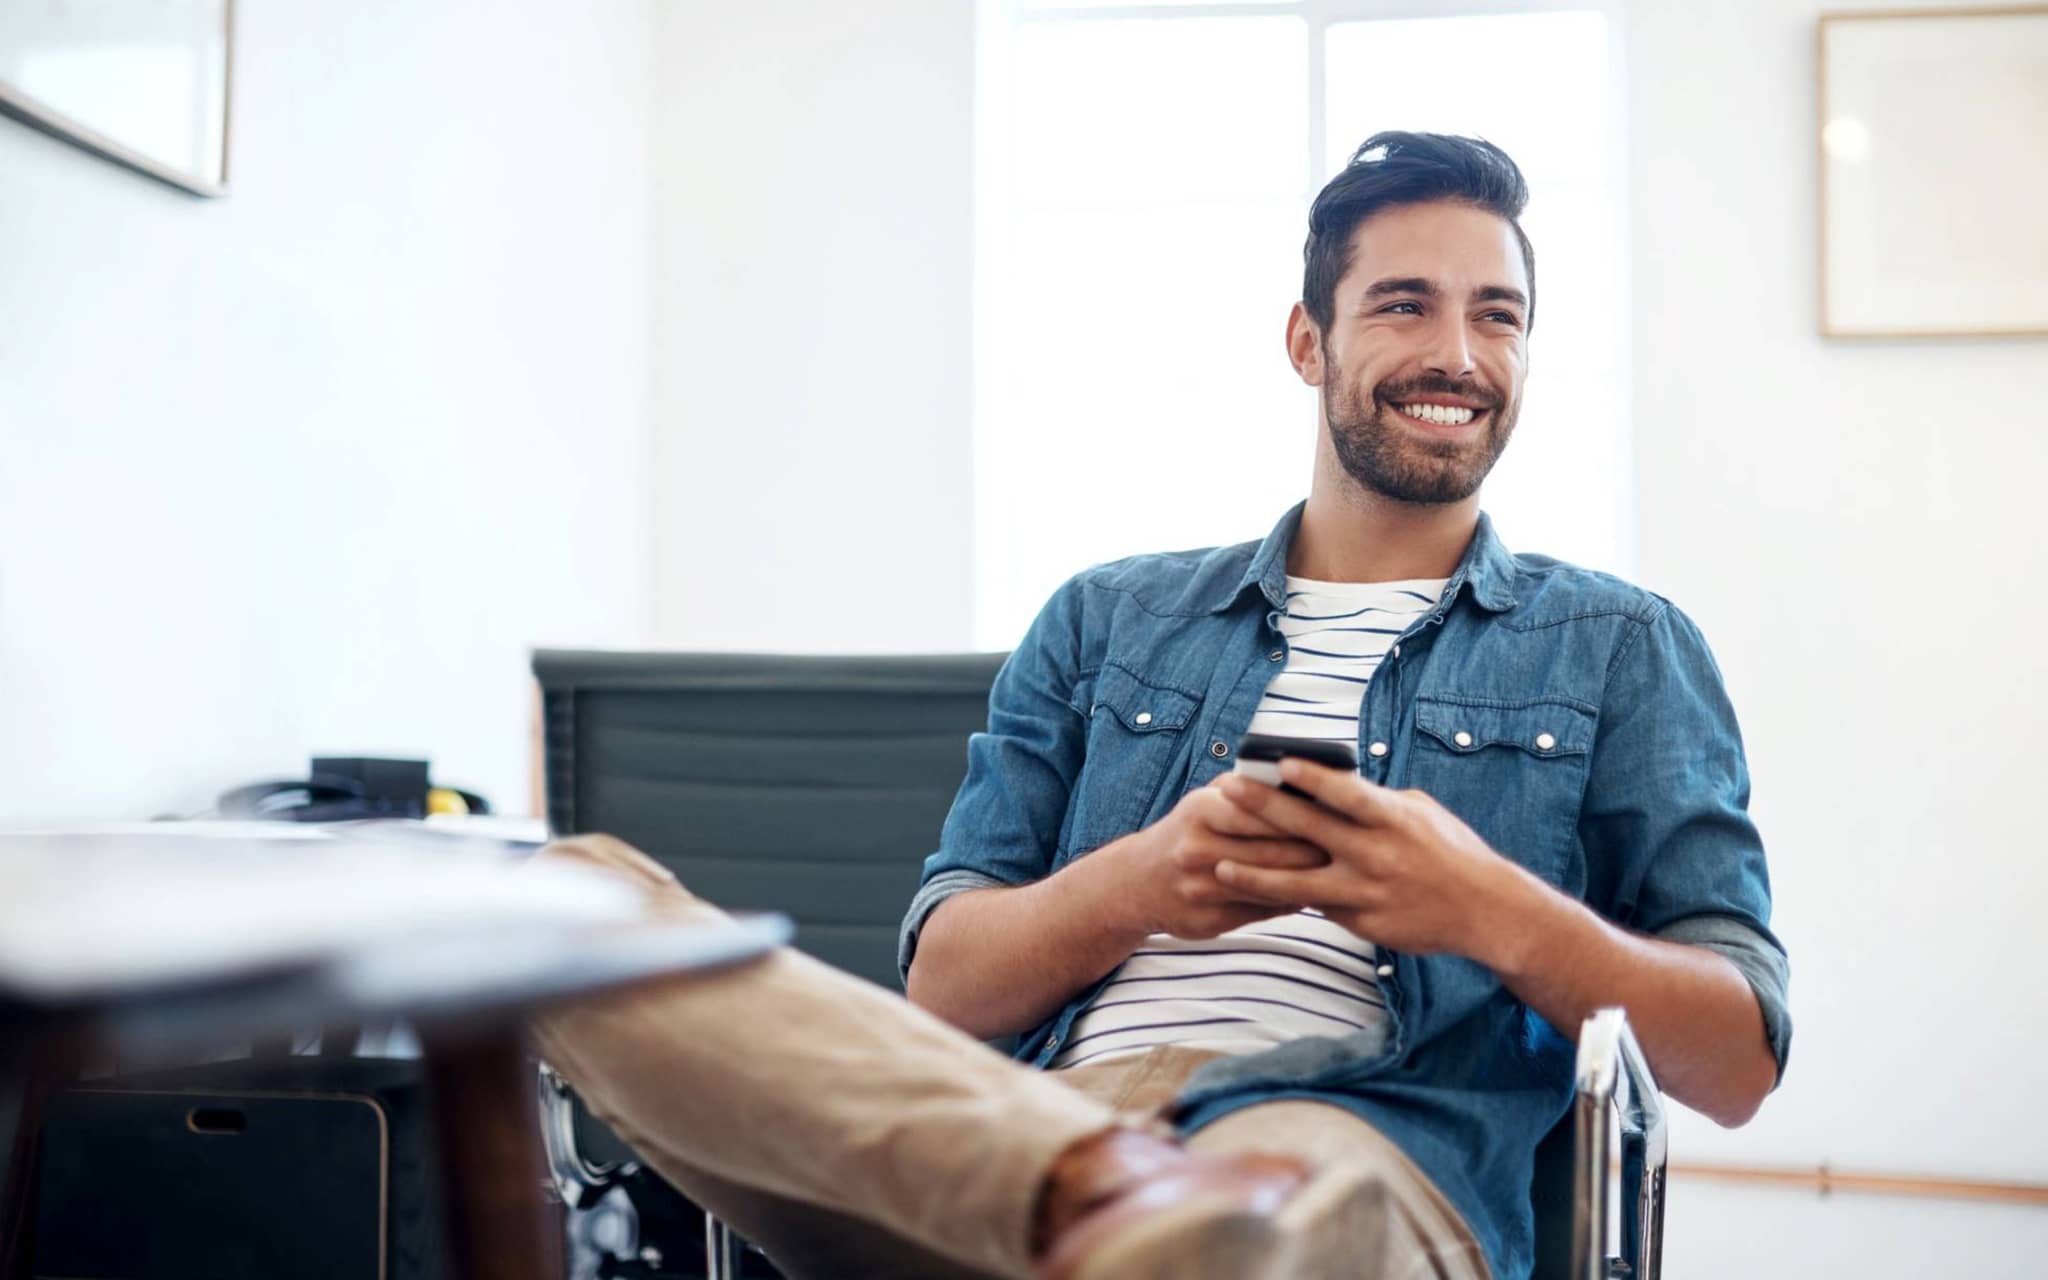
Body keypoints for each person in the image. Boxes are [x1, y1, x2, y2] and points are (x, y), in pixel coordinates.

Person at [535, 131, 1790, 1280]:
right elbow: (943, 990)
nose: (1456, 355)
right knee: (573, 903)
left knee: (1267, 1227)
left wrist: (1482, 904)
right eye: (1403, 304)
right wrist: (1145, 878)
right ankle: (1102, 1202)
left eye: (1496, 315)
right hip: (1012, 1127)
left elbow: (1734, 1057)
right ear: (1307, 341)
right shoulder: (1108, 616)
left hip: (1346, 1141)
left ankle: (1151, 1223)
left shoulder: (1616, 645)